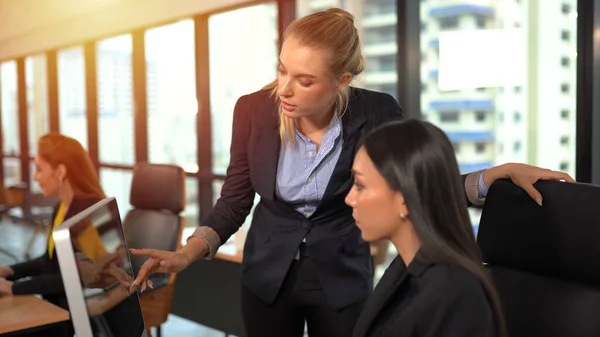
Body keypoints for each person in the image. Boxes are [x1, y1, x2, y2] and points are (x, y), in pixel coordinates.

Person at [130, 8, 573, 337]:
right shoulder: (252, 111)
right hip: (267, 273)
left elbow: (413, 184)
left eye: (305, 80)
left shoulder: (378, 112)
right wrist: (188, 252)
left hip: (341, 272)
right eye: (282, 69)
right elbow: (236, 197)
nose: (284, 88)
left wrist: (491, 177)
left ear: (341, 81)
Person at [348, 120, 509, 337]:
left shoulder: (454, 293)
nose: (349, 199)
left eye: (360, 185)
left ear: (404, 199)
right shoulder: (403, 269)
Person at [0, 133, 111, 336]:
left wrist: (13, 289)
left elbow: (75, 278)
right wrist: (10, 271)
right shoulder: (61, 207)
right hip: (56, 307)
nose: (35, 177)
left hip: (75, 319)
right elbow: (52, 260)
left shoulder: (86, 214)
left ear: (60, 171)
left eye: (40, 169)